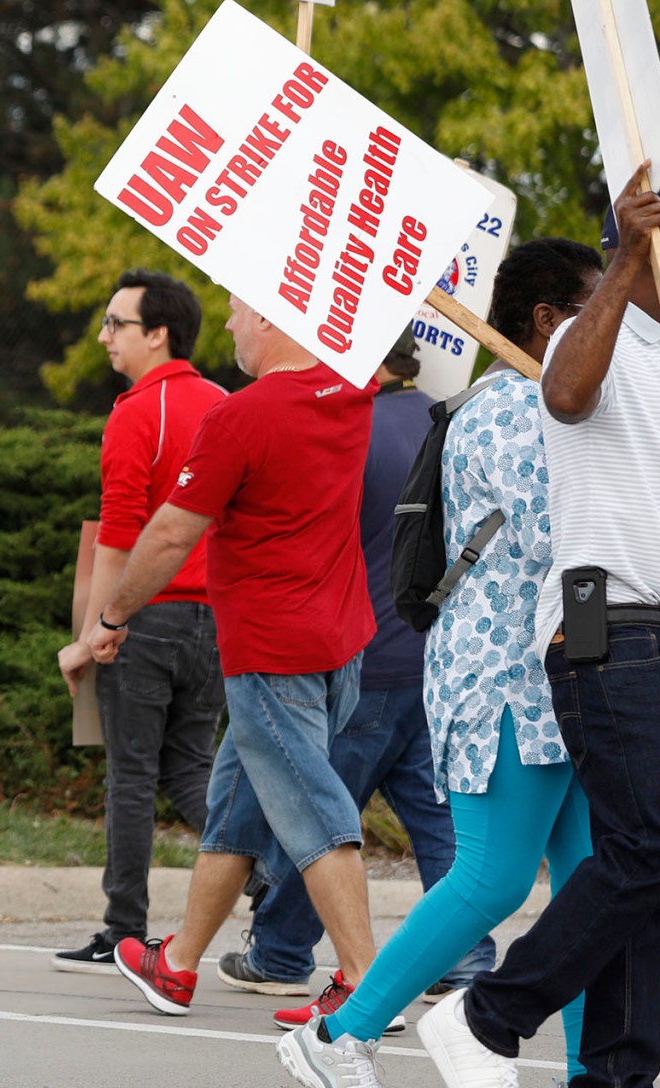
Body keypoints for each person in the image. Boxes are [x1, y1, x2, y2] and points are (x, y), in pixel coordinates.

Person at [418, 173, 660, 1088]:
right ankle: (487, 1014)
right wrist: (625, 258)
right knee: (646, 849)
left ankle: (615, 1074)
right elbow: (567, 397)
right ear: (656, 254)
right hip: (606, 629)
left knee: (649, 869)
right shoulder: (587, 345)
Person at [278, 239, 602, 1088]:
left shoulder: (552, 405)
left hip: (559, 680)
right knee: (492, 880)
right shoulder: (506, 410)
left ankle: (589, 1072)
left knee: (589, 895)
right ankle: (339, 1034)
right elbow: (556, 539)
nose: (612, 324)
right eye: (594, 305)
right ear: (545, 320)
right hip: (499, 681)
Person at [82, 295, 379, 1021]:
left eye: (239, 312)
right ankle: (178, 965)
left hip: (271, 653)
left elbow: (168, 536)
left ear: (278, 319)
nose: (228, 327)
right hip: (338, 645)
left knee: (315, 813)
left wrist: (112, 615)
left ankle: (366, 984)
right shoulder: (351, 389)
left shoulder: (242, 415)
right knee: (235, 812)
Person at [234, 334, 490, 1024]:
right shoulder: (449, 420)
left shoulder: (351, 427)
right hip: (431, 652)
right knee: (435, 818)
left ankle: (282, 953)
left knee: (319, 816)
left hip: (362, 651)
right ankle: (466, 960)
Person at [52, 269, 226, 972]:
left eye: (115, 324)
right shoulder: (225, 403)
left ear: (157, 335)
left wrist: (95, 631)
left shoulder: (135, 411)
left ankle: (122, 930)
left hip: (145, 615)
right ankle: (275, 880)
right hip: (216, 620)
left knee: (130, 776)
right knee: (192, 769)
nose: (103, 337)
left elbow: (121, 534)